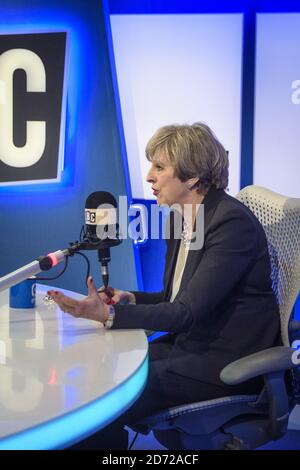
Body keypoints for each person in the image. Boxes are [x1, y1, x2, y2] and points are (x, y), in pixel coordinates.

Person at [48, 122, 281, 449]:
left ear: (192, 177)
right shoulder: (179, 218)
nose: (149, 177)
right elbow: (177, 298)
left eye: (160, 167)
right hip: (190, 344)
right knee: (100, 374)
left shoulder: (231, 223)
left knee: (105, 398)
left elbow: (185, 312)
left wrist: (109, 316)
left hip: (225, 363)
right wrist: (129, 298)